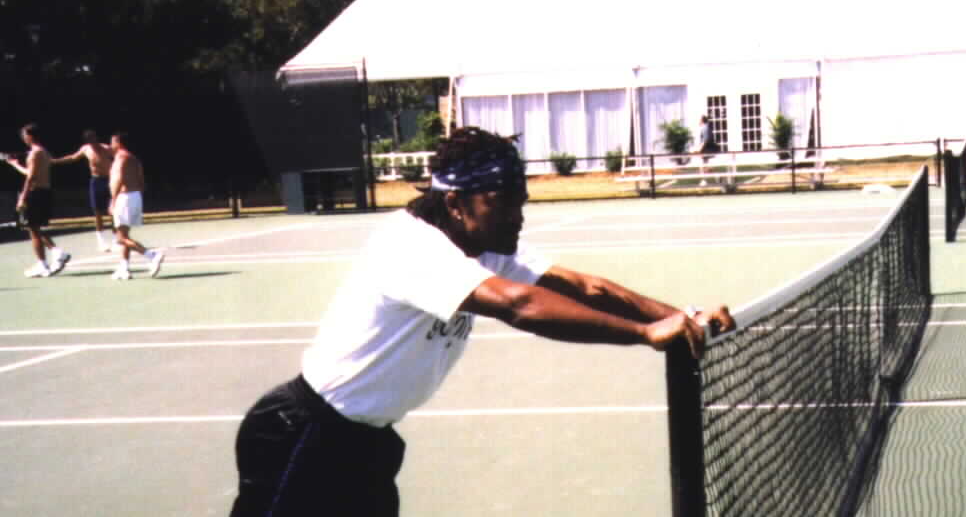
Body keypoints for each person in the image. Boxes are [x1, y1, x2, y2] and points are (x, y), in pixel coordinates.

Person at [228, 126, 735, 517]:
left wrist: (681, 315)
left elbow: (587, 288)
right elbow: (519, 305)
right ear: (455, 203)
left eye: (521, 198)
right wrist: (645, 334)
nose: (519, 212)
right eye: (502, 200)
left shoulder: (486, 247)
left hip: (366, 447)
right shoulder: (412, 247)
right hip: (303, 437)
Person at [4, 123, 72, 278]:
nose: (23, 138)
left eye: (24, 135)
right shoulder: (44, 152)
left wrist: (23, 197)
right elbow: (33, 172)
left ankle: (43, 264)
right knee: (35, 228)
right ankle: (56, 253)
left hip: (35, 193)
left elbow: (31, 177)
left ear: (30, 136)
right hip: (44, 192)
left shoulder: (35, 153)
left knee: (33, 229)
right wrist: (15, 163)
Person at [107, 132, 163, 280]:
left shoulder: (121, 158)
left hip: (124, 198)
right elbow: (142, 181)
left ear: (118, 143)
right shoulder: (134, 158)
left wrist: (113, 201)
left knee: (120, 238)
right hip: (135, 196)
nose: (110, 145)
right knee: (125, 235)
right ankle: (124, 268)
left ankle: (152, 255)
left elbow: (119, 179)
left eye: (112, 142)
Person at [52, 129, 115, 251]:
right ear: (88, 141)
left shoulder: (106, 148)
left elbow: (118, 158)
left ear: (96, 138)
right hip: (96, 181)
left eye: (94, 138)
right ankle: (101, 242)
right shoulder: (86, 149)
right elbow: (72, 158)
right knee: (97, 213)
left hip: (110, 180)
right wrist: (55, 161)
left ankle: (116, 240)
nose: (93, 141)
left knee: (112, 211)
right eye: (90, 140)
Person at [698, 114, 720, 186]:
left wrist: (700, 149)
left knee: (703, 166)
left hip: (706, 149)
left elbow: (705, 140)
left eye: (699, 120)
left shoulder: (704, 128)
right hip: (707, 149)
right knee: (706, 166)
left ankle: (704, 181)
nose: (698, 121)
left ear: (702, 120)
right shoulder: (706, 127)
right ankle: (717, 177)